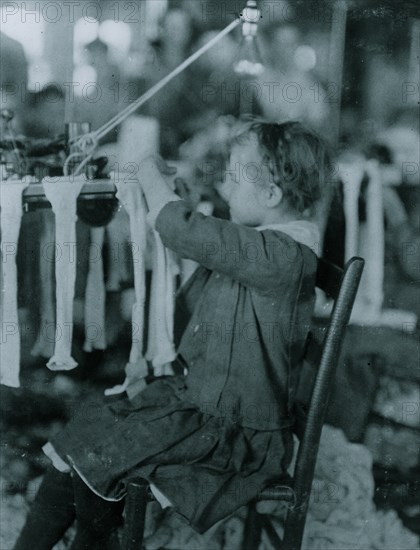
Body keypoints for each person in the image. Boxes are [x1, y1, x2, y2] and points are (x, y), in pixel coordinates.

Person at [14, 118, 333, 549]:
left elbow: (185, 231)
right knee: (79, 444)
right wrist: (184, 204)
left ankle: (92, 540)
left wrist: (147, 173)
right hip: (202, 403)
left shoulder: (282, 257)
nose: (224, 185)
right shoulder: (263, 246)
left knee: (99, 463)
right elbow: (203, 263)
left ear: (273, 195)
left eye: (234, 176)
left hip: (235, 433)